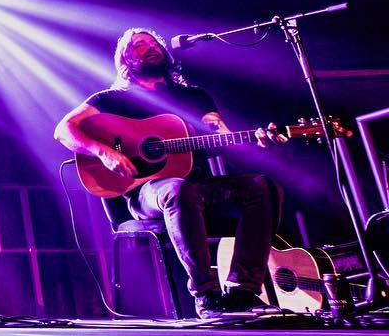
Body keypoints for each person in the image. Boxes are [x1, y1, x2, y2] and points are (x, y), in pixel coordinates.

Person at [54, 27, 284, 318]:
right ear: (124, 59)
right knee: (177, 188)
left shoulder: (195, 97)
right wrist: (104, 152)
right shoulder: (111, 100)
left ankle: (242, 291)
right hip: (147, 193)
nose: (150, 46)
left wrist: (256, 141)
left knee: (261, 186)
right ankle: (207, 296)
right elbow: (64, 130)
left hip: (200, 186)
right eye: (139, 44)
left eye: (154, 42)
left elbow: (225, 142)